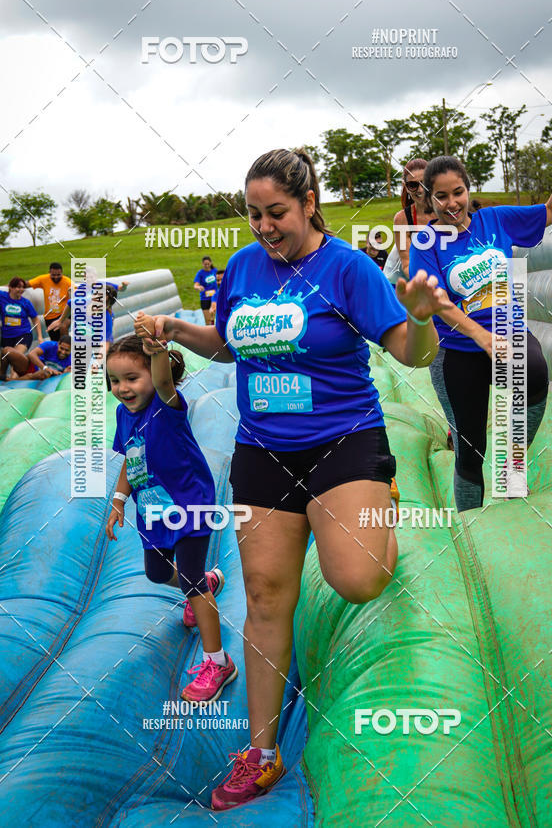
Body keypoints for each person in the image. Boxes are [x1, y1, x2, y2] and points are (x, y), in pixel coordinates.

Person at [138, 147, 448, 811]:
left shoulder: (348, 269)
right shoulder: (244, 266)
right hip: (262, 450)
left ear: (309, 203)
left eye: (275, 212)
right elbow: (228, 344)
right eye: (253, 215)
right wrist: (176, 330)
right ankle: (261, 753)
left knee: (358, 580)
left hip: (344, 442)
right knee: (264, 596)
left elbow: (410, 354)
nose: (264, 227)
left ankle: (380, 508)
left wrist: (422, 318)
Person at [409, 137, 552, 513]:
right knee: (470, 449)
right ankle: (472, 522)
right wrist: (482, 337)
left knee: (535, 371)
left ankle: (512, 468)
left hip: (507, 330)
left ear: (468, 190)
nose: (451, 203)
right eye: (441, 196)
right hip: (457, 351)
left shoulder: (495, 220)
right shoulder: (426, 242)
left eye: (458, 192)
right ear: (430, 199)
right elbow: (436, 302)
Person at [106, 331, 238, 704]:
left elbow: (164, 380)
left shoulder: (166, 405)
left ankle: (218, 662)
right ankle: (206, 582)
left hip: (188, 503)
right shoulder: (123, 415)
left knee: (190, 581)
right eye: (114, 380)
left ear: (153, 374)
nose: (122, 388)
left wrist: (157, 350)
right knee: (157, 573)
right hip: (153, 508)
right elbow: (130, 458)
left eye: (132, 378)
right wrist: (119, 500)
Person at [383, 158, 435, 286]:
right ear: (406, 187)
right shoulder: (402, 219)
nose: (420, 190)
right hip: (404, 283)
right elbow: (407, 265)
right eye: (413, 185)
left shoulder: (447, 211)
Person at [0, 277, 43, 381]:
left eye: (22, 287)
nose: (21, 290)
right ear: (11, 287)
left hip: (23, 334)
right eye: (18, 287)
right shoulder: (2, 297)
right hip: (7, 336)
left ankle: (13, 380)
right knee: (5, 357)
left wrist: (40, 336)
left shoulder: (26, 303)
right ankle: (3, 378)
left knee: (15, 356)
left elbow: (35, 319)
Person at [24, 263, 72, 342]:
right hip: (50, 316)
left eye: (58, 275)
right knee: (54, 341)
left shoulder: (67, 282)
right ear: (49, 272)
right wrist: (10, 286)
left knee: (63, 327)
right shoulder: (43, 279)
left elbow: (77, 294)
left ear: (62, 273)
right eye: (53, 275)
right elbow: (25, 284)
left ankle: (67, 346)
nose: (56, 277)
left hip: (63, 314)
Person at [194, 256, 219, 326]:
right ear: (202, 264)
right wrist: (198, 287)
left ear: (211, 263)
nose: (207, 266)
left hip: (214, 298)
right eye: (205, 264)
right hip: (205, 299)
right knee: (208, 320)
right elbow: (195, 285)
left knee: (215, 318)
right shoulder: (200, 273)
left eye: (208, 264)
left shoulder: (215, 271)